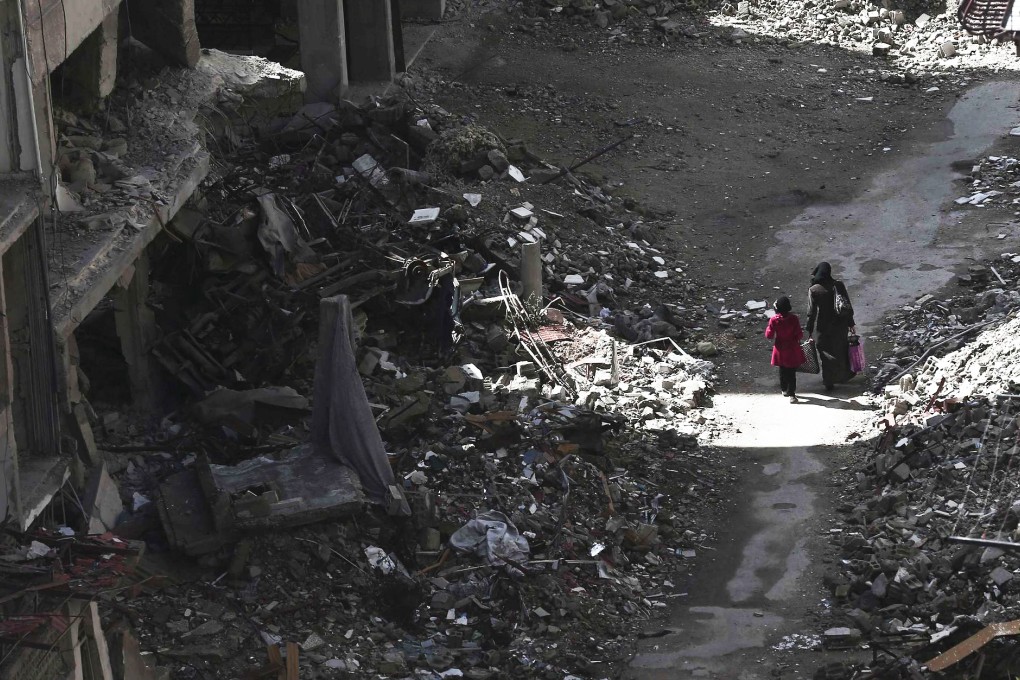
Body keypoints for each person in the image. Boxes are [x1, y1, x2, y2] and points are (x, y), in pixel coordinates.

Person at [806, 262, 857, 391]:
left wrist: (810, 329)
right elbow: (847, 306)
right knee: (841, 350)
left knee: (825, 353)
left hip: (824, 327)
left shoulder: (814, 289)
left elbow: (811, 312)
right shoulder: (838, 285)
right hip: (840, 325)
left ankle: (828, 380)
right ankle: (844, 375)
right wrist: (851, 323)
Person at [765, 296, 806, 403]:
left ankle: (784, 389)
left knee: (782, 370)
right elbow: (799, 335)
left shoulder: (774, 320)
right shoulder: (794, 318)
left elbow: (769, 335)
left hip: (780, 349)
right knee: (791, 373)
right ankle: (792, 395)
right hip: (792, 349)